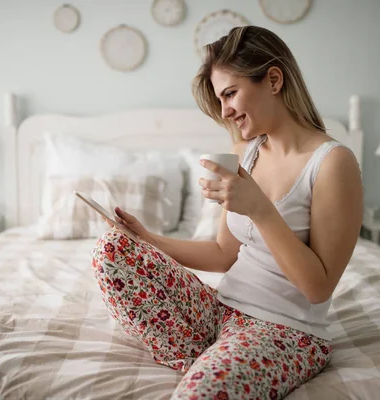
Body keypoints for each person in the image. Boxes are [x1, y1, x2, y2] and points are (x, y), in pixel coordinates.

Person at [91, 25, 363, 399]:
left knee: (199, 395)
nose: (225, 111)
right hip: (220, 311)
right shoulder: (244, 154)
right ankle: (219, 356)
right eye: (220, 100)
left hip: (285, 329)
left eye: (230, 94)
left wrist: (259, 209)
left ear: (273, 79)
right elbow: (223, 255)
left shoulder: (332, 164)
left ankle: (216, 367)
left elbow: (318, 288)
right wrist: (147, 239)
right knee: (112, 250)